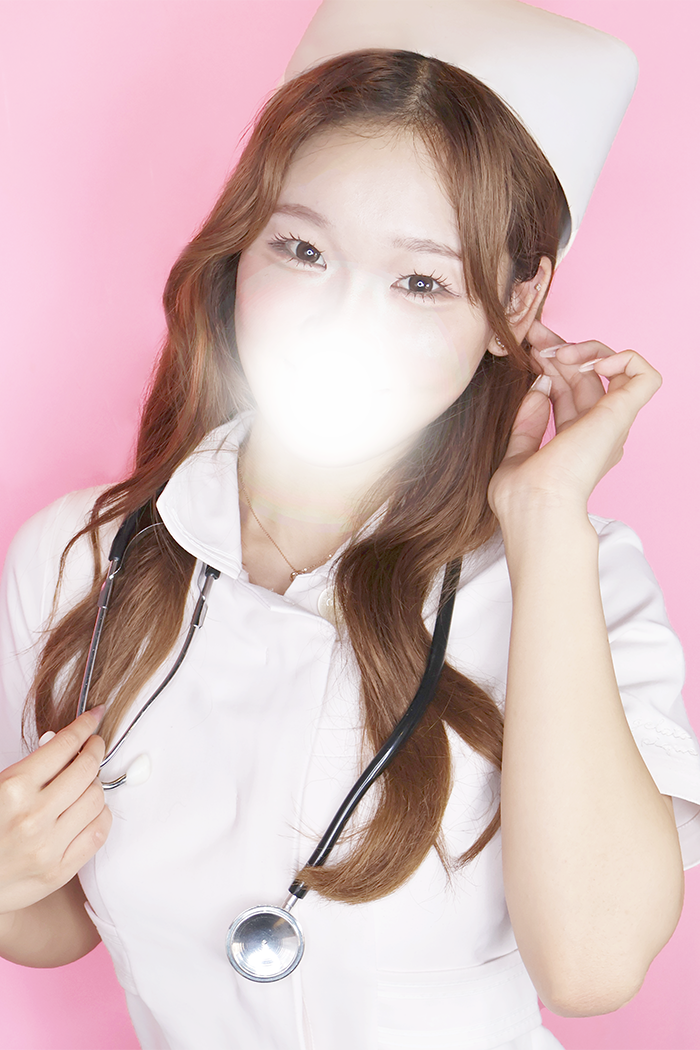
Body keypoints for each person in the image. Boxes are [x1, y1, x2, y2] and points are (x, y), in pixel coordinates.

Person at [1, 23, 700, 1050]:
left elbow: (593, 967)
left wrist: (547, 517)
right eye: (303, 250)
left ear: (516, 304)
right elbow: (59, 918)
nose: (342, 319)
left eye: (420, 281)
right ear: (240, 251)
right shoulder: (82, 554)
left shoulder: (564, 576)